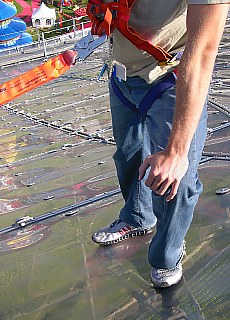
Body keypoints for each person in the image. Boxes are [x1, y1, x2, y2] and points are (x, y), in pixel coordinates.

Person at [90, 0, 229, 288]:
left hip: (170, 79)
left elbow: (203, 51)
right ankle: (138, 217)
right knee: (129, 155)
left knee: (176, 180)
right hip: (122, 75)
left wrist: (177, 151)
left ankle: (167, 255)